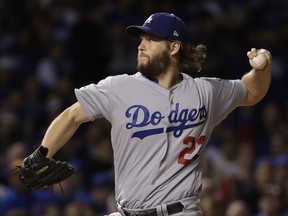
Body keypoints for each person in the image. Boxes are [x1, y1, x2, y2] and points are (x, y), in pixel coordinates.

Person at [28, 12, 272, 216]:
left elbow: (252, 91)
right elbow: (71, 116)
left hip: (180, 210)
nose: (141, 45)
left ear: (174, 47)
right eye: (141, 39)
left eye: (151, 39)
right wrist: (42, 153)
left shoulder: (206, 91)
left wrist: (261, 69)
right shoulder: (118, 87)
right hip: (125, 211)